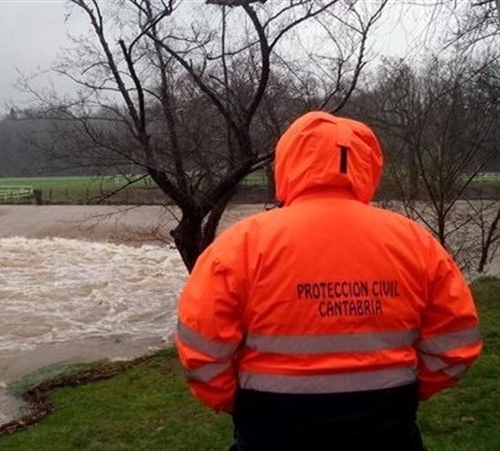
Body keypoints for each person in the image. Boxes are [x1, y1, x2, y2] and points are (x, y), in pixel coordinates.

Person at [175, 111, 482, 450]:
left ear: (288, 162)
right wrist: (406, 391)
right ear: (368, 165)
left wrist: (236, 403)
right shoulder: (414, 241)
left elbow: (201, 349)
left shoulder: (242, 243)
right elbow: (456, 345)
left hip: (271, 430)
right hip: (387, 427)